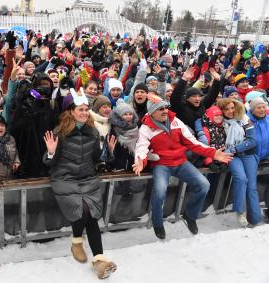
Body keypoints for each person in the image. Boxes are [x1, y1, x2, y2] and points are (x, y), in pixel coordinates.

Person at [133, 93, 232, 239]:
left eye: (166, 108)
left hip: (181, 161)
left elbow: (192, 142)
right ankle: (157, 222)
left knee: (204, 184)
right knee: (160, 191)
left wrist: (212, 153)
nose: (165, 111)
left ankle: (190, 214)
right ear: (152, 112)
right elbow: (141, 147)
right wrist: (141, 160)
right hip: (162, 164)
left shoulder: (175, 122)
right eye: (160, 109)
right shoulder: (146, 128)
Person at [43, 91, 117, 279]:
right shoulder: (60, 132)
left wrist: (107, 152)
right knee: (84, 211)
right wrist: (51, 152)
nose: (85, 113)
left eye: (86, 110)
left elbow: (96, 160)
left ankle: (100, 260)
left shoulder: (92, 131)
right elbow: (48, 162)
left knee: (92, 216)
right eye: (81, 110)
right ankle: (76, 241)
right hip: (64, 179)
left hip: (86, 178)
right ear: (71, 112)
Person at [217, 98, 260, 227]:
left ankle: (255, 219)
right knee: (241, 179)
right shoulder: (219, 121)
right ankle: (240, 212)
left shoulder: (244, 118)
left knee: (252, 187)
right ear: (221, 110)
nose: (230, 111)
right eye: (226, 109)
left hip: (248, 154)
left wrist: (235, 148)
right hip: (231, 156)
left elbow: (252, 140)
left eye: (232, 107)